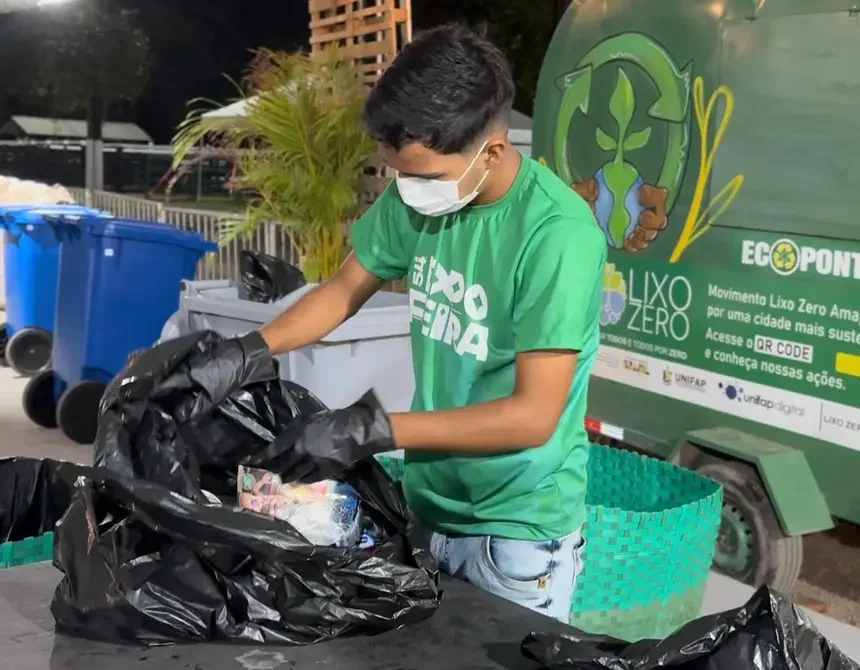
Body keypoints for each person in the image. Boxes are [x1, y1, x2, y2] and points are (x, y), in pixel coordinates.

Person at [258, 24, 606, 623]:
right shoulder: (422, 195)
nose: (406, 190)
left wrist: (374, 429)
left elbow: (533, 415)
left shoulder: (557, 237)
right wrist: (245, 349)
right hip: (430, 508)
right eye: (399, 173)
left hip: (517, 534)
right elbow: (344, 288)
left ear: (491, 150)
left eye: (423, 175)